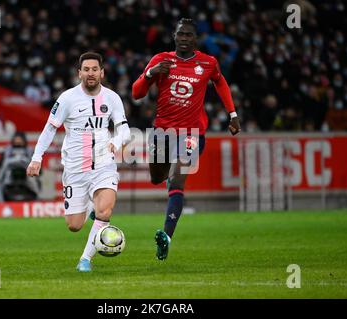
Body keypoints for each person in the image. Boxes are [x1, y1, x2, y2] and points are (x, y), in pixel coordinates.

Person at [132, 18, 241, 261]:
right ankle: (168, 186)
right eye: (180, 34)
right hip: (162, 132)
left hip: (192, 134)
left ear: (195, 39)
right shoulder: (161, 59)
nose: (184, 38)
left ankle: (166, 237)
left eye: (189, 35)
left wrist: (232, 114)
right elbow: (136, 93)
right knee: (157, 178)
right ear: (174, 36)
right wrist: (150, 74)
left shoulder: (208, 62)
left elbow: (220, 82)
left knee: (177, 181)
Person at [26, 52, 131, 272]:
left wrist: (117, 140)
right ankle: (92, 208)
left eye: (95, 69)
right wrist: (37, 158)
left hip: (104, 164)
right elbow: (49, 129)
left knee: (105, 212)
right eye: (86, 70)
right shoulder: (67, 99)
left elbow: (124, 129)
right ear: (79, 73)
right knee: (74, 225)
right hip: (75, 167)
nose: (90, 73)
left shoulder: (112, 98)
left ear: (102, 72)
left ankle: (85, 260)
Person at [0, 131, 40, 202]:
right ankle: (0, 201)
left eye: (20, 140)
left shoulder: (29, 150)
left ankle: (36, 198)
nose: (18, 142)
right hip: (9, 175)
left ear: (24, 140)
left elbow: (38, 166)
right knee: (0, 180)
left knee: (33, 179)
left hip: (27, 174)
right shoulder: (7, 151)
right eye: (16, 140)